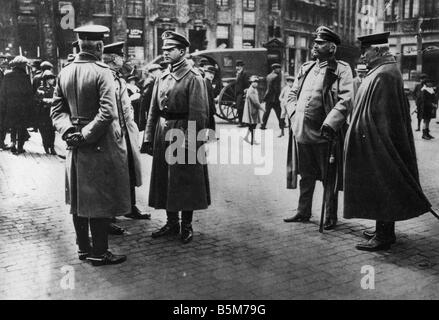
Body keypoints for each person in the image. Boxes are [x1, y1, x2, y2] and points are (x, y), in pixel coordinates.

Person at [344, 32, 431, 251]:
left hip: (380, 145)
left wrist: (370, 138)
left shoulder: (385, 74)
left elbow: (383, 117)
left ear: (379, 50)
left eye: (366, 51)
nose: (363, 55)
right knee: (378, 185)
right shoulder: (382, 71)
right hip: (376, 143)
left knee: (383, 184)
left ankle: (384, 235)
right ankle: (382, 228)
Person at [51, 25, 129, 266]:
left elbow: (56, 111)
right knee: (99, 200)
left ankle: (83, 249)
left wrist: (69, 132)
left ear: (80, 44)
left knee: (78, 199)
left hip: (74, 145)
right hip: (98, 144)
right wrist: (85, 135)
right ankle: (99, 252)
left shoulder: (64, 72)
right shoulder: (102, 71)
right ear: (99, 45)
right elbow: (107, 113)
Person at [141, 31, 211, 244]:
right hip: (164, 132)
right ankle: (172, 223)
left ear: (182, 51)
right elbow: (153, 110)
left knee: (185, 179)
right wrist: (149, 137)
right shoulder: (162, 75)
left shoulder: (194, 77)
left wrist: (192, 143)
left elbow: (199, 114)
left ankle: (186, 225)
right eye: (163, 50)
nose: (165, 53)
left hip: (183, 131)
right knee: (165, 179)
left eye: (169, 50)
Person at [284, 26, 354, 231]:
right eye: (315, 42)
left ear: (332, 48)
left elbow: (346, 100)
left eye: (320, 43)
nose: (315, 45)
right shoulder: (306, 67)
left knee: (328, 177)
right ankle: (303, 211)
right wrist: (294, 115)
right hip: (302, 132)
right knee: (305, 175)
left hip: (325, 135)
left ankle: (330, 215)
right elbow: (291, 94)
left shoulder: (341, 69)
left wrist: (330, 124)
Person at [103, 41, 150, 221]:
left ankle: (130, 207)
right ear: (114, 59)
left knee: (129, 169)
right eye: (121, 56)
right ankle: (110, 214)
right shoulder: (105, 77)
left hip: (126, 132)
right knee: (114, 173)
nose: (124, 59)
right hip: (114, 133)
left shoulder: (117, 77)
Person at [0, 55, 35, 155]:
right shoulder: (25, 77)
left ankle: (13, 144)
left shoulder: (7, 76)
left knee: (13, 126)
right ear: (22, 65)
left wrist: (3, 106)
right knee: (21, 126)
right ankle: (20, 147)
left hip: (10, 107)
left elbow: (3, 93)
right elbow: (29, 93)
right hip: (23, 107)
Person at [36, 70, 57, 155]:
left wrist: (47, 101)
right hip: (43, 114)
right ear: (47, 80)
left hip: (51, 113)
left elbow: (56, 100)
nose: (53, 80)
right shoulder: (40, 89)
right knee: (44, 131)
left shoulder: (54, 89)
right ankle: (46, 146)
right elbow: (39, 100)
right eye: (51, 79)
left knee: (52, 131)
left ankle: (52, 147)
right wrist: (48, 101)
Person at [261, 63, 283, 135]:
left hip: (269, 98)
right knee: (279, 112)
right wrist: (279, 96)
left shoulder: (268, 76)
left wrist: (265, 96)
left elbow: (268, 88)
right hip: (275, 98)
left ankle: (263, 125)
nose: (279, 70)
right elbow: (276, 89)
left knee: (266, 112)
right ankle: (282, 125)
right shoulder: (276, 76)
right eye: (278, 68)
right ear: (275, 69)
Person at [242, 76, 264, 145]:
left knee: (252, 126)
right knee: (253, 125)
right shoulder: (251, 90)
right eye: (254, 82)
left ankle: (248, 138)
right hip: (252, 110)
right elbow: (255, 102)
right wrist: (262, 108)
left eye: (257, 82)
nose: (256, 83)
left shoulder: (253, 89)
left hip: (253, 109)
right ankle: (252, 140)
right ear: (251, 83)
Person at [235, 60, 250, 127]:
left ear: (242, 67)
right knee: (239, 108)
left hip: (242, 93)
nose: (238, 67)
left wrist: (245, 91)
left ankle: (242, 122)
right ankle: (241, 121)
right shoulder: (238, 74)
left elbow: (247, 84)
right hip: (238, 93)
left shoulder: (244, 74)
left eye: (239, 66)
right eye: (237, 66)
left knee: (241, 108)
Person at [204, 65, 217, 133]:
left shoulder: (208, 82)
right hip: (208, 106)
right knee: (209, 121)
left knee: (210, 121)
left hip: (208, 106)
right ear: (206, 73)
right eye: (210, 73)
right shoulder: (206, 82)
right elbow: (208, 97)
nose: (212, 75)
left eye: (213, 74)